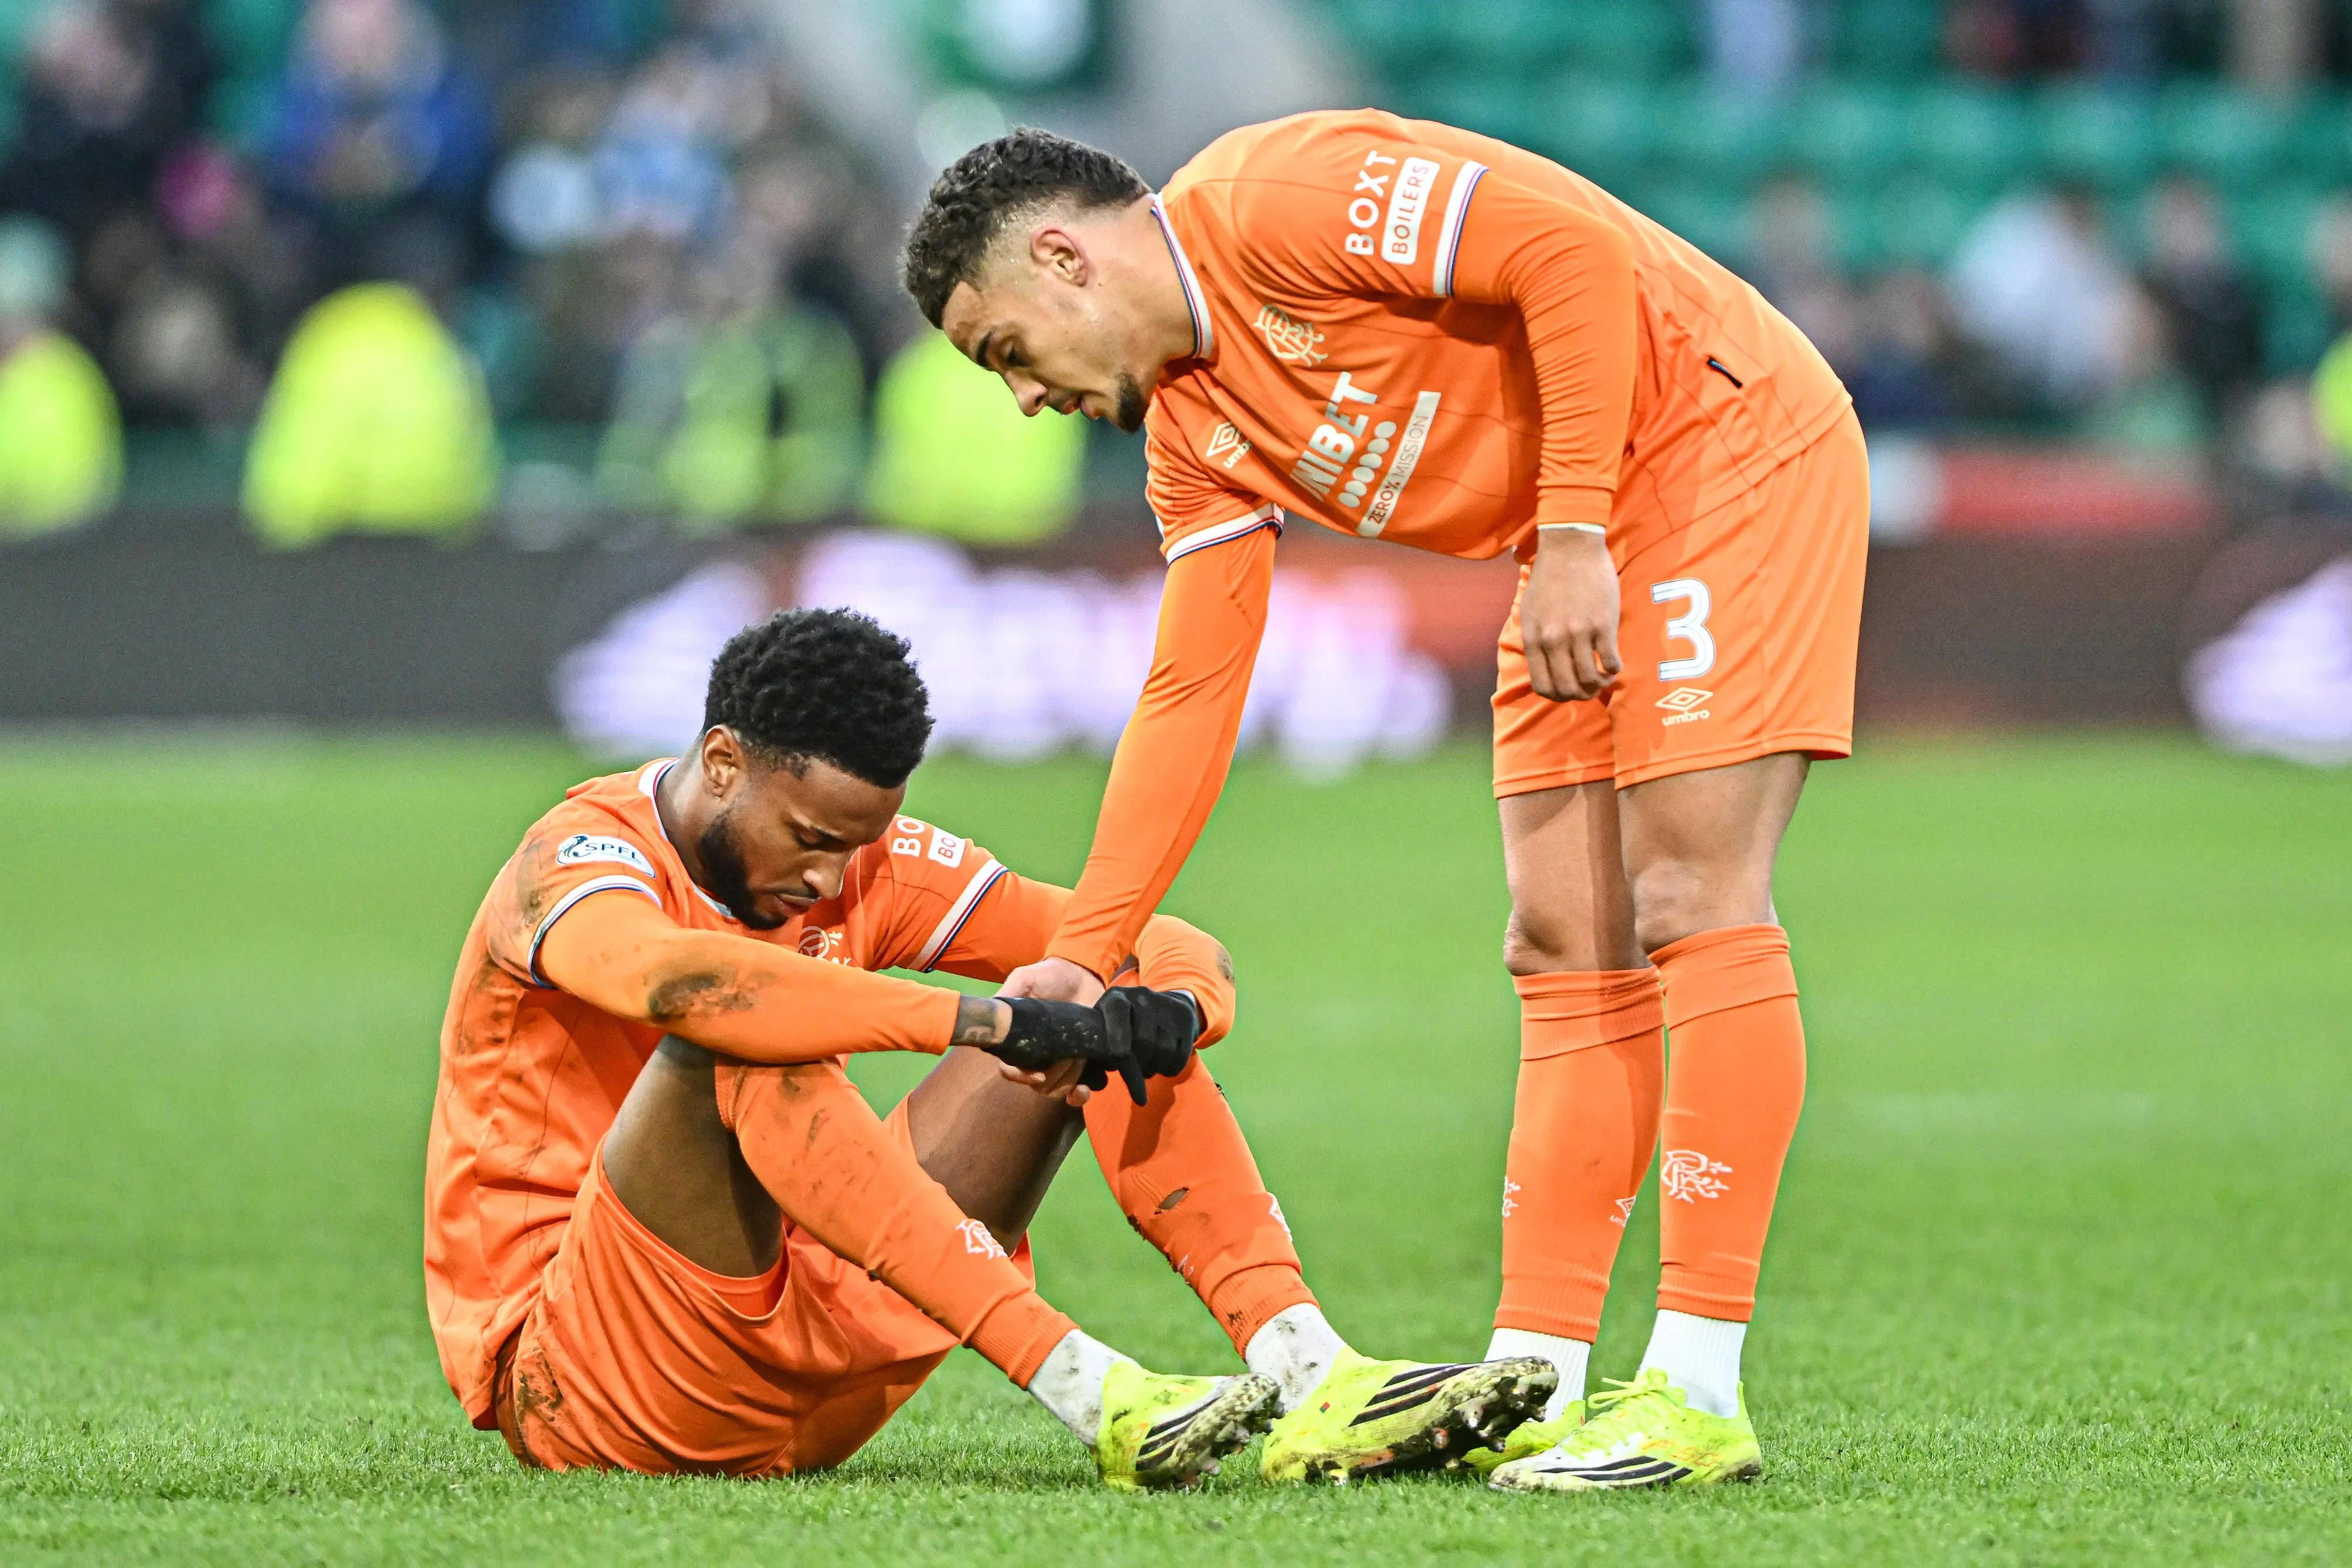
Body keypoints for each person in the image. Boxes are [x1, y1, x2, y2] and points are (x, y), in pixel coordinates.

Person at [903, 112, 1870, 1492]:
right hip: (1577, 522)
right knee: (1558, 937)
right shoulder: (1193, 429)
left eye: (1003, 349)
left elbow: (1571, 254)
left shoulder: (1266, 199)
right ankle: (1536, 1375)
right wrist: (1087, 944)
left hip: (1716, 445)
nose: (1021, 395)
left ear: (1062, 256)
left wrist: (1581, 531)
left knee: (1686, 893)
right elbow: (1191, 691)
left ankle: (1697, 1386)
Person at [424, 607, 1554, 1483]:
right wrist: (980, 1018)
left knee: (1087, 977)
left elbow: (1159, 942)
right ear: (722, 761)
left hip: (819, 1378)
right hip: (590, 1382)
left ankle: (1315, 1372)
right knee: (743, 1032)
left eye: (852, 846)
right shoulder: (575, 861)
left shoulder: (860, 858)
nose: (829, 877)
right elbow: (683, 983)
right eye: (810, 838)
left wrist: (1163, 1009)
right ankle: (1092, 1387)